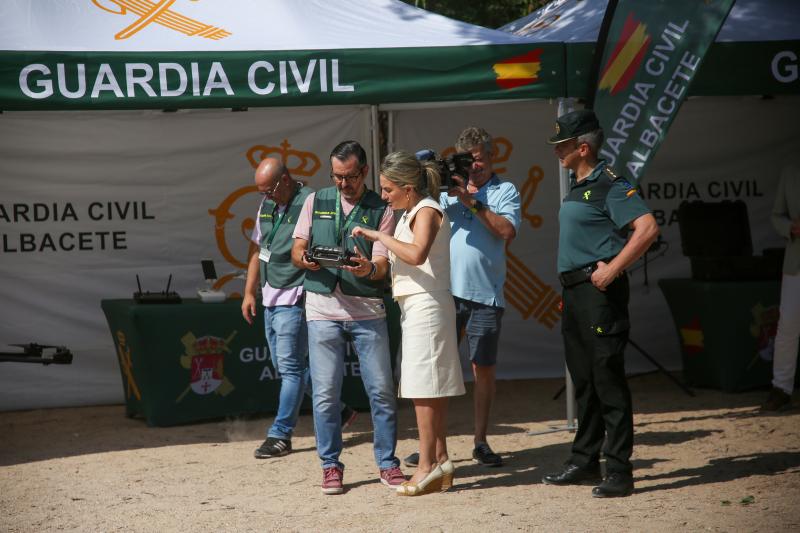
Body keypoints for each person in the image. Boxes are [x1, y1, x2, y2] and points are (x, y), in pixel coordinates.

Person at [541, 109, 658, 498]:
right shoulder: (578, 186)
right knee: (585, 380)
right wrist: (572, 289)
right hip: (577, 294)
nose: (558, 151)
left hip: (599, 292)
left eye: (563, 146)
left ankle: (620, 470)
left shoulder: (609, 183)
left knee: (607, 379)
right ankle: (585, 460)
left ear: (583, 147)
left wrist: (612, 271)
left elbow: (647, 228)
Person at [291, 140, 404, 495]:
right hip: (321, 308)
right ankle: (330, 465)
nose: (343, 184)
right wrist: (304, 259)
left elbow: (383, 264)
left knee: (382, 392)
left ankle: (387, 463)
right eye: (337, 176)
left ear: (365, 171)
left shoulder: (381, 206)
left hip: (367, 310)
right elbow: (296, 248)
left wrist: (370, 267)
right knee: (325, 394)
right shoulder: (315, 200)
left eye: (350, 177)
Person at [404, 127, 520, 469]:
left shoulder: (504, 190)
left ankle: (480, 441)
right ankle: (433, 447)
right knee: (438, 369)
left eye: (480, 160)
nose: (475, 167)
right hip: (442, 294)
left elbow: (507, 231)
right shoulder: (443, 193)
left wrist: (471, 201)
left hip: (485, 294)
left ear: (492, 155)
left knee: (481, 368)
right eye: (469, 161)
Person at [353, 151, 466, 496]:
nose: (384, 195)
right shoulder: (412, 211)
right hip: (418, 304)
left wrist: (379, 237)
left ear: (407, 187)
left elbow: (416, 254)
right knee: (428, 388)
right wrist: (371, 264)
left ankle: (429, 466)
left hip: (428, 304)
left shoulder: (427, 210)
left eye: (388, 189)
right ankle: (441, 459)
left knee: (424, 390)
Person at [241, 158, 356, 460]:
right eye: (261, 192)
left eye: (269, 190)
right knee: (285, 368)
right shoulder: (266, 205)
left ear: (286, 180)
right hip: (269, 297)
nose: (265, 197)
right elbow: (257, 248)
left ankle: (281, 434)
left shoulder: (311, 202)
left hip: (296, 298)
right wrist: (249, 292)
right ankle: (339, 409)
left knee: (290, 370)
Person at [761, 163, 800, 411]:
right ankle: (781, 387)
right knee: (788, 325)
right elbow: (777, 215)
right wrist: (790, 228)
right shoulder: (791, 170)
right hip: (796, 261)